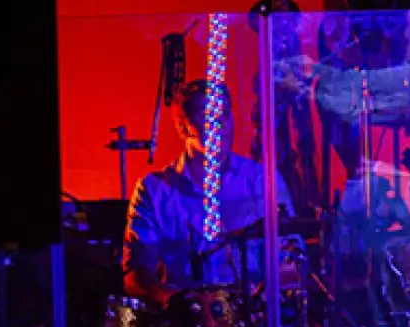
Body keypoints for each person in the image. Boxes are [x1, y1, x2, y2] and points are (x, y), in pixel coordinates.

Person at [123, 80, 295, 305]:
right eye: (207, 117)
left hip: (254, 321)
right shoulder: (155, 191)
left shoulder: (264, 181)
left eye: (224, 115)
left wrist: (263, 296)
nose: (220, 126)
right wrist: (169, 298)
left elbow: (292, 261)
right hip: (188, 325)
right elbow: (135, 272)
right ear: (183, 127)